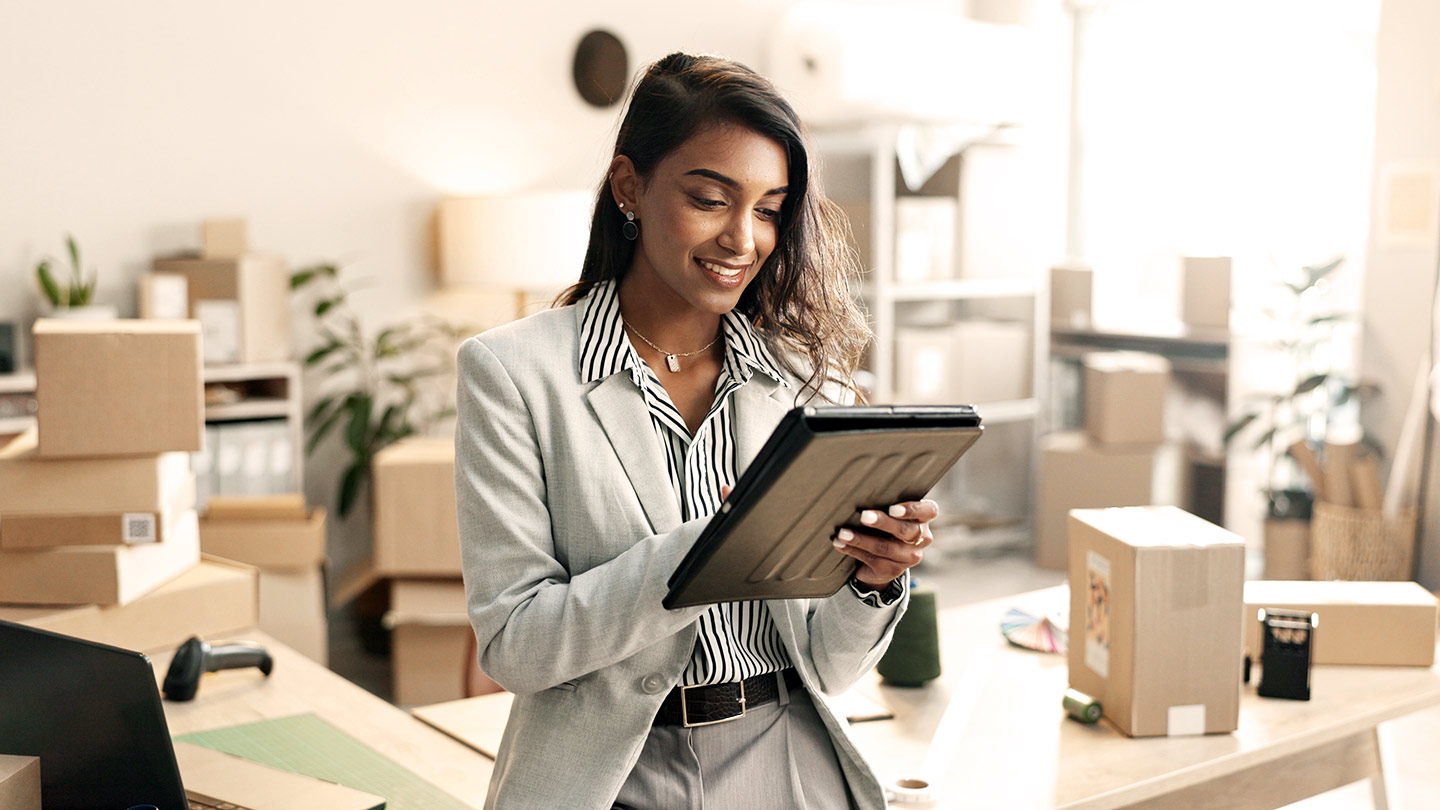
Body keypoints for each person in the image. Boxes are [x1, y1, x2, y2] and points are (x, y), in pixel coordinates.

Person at [454, 52, 939, 810]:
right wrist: (708, 548)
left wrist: (874, 581)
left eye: (771, 208)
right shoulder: (513, 373)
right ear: (629, 188)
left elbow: (830, 667)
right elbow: (517, 645)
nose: (743, 238)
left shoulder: (810, 381)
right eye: (712, 199)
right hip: (609, 778)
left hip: (787, 759)